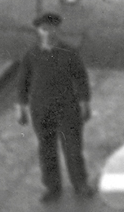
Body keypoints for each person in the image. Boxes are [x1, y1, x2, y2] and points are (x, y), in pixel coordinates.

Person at [17, 12, 93, 202]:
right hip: (41, 109)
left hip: (67, 107)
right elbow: (22, 82)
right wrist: (20, 106)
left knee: (73, 148)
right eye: (44, 29)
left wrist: (85, 102)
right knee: (46, 148)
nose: (48, 33)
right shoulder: (31, 55)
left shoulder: (69, 52)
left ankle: (80, 184)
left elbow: (81, 77)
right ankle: (52, 187)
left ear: (57, 30)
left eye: (51, 29)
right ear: (38, 31)